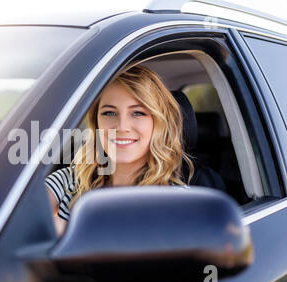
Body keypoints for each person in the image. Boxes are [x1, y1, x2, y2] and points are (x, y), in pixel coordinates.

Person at [44, 64, 194, 235]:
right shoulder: (70, 181)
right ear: (96, 123)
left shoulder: (180, 202)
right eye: (109, 113)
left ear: (158, 123)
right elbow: (18, 213)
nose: (122, 127)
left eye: (138, 113)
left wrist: (66, 231)